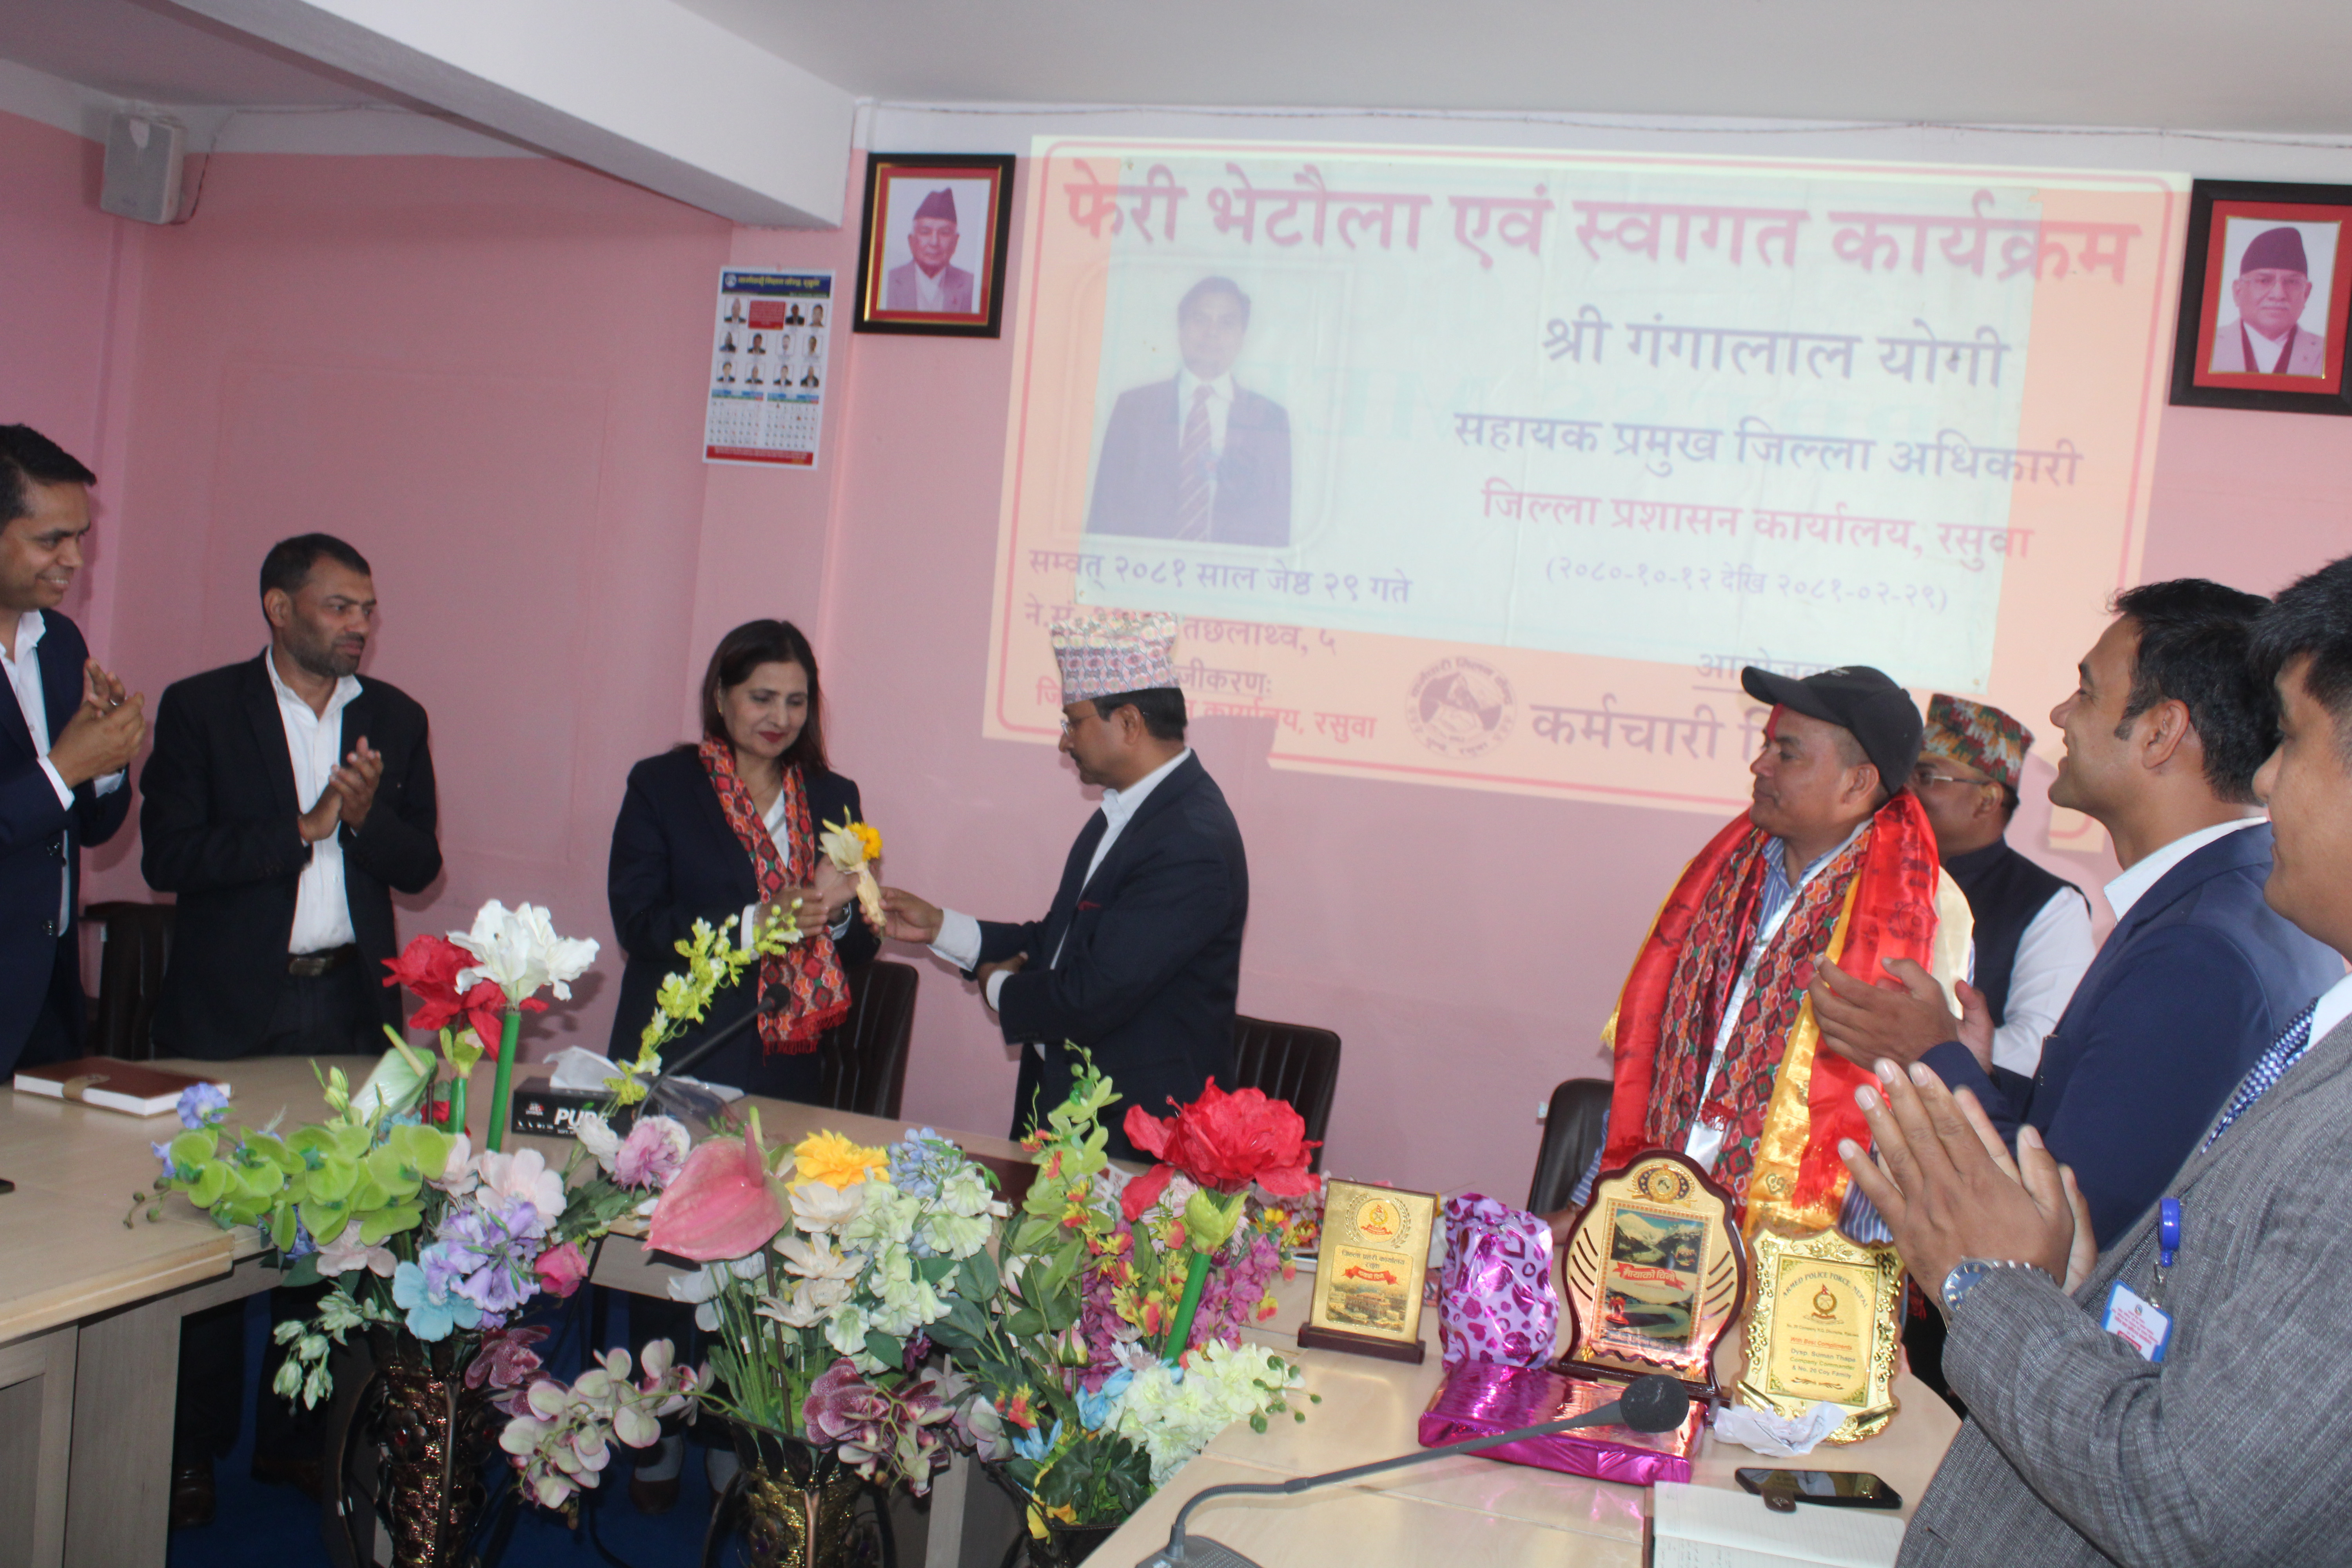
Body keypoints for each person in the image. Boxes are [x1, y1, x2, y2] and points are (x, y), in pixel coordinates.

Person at [1851, 553, 2352, 1567]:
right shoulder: (2211, 918)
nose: (2267, 779)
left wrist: (1987, 1277)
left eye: (2297, 742)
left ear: (2161, 731)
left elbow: (2191, 1502)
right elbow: (2162, 1247)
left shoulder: (2205, 944)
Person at [1813, 582, 2339, 1247]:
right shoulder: (2226, 902)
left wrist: (1930, 1057)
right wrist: (1974, 1068)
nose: (2062, 714)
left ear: (2161, 733)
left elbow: (2070, 1233)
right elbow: (2105, 1141)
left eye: (2087, 692)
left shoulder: (2198, 949)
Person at [145, 533, 440, 1521]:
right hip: (228, 1009)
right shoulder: (201, 707)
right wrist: (301, 832)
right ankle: (190, 1449)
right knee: (214, 1225)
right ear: (279, 606)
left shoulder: (396, 716)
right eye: (339, 606)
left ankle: (297, 1437)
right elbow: (168, 856)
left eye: (368, 608)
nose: (360, 624)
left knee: (332, 1231)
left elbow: (419, 864)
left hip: (347, 1004)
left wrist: (363, 820)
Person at [1550, 664, 1968, 1241]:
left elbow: (1911, 1112)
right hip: (1659, 1229)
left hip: (1820, 1255)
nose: (1760, 766)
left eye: (1786, 754)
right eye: (1766, 745)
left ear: (1857, 783)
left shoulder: (1920, 913)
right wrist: (1591, 1205)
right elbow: (1658, 1063)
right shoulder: (1722, 878)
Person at [877, 611, 1249, 1158]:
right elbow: (1058, 941)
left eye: (1073, 722)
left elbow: (1092, 994)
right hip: (1072, 1126)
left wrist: (999, 989)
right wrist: (940, 927)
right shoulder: (1123, 815)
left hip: (1135, 1145)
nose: (1063, 741)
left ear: (1128, 723)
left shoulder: (1190, 840)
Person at [607, 618, 877, 1104]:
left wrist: (834, 912)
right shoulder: (662, 786)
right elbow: (639, 923)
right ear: (720, 696)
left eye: (796, 702)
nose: (781, 718)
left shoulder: (833, 796)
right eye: (762, 698)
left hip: (787, 1069)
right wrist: (758, 923)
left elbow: (860, 947)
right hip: (679, 1054)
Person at [0, 426, 140, 1075]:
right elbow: (52, 783)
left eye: (80, 537)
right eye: (50, 540)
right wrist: (66, 767)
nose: (75, 559)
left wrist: (107, 761)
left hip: (49, 992)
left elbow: (91, 829)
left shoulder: (61, 641)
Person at [1907, 695, 2094, 1092]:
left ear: (1988, 799)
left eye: (1927, 777)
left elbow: (2037, 1048)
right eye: (1907, 775)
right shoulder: (1883, 874)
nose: (1908, 791)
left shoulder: (2051, 905)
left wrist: (1921, 1038)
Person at [1086, 276, 1293, 547]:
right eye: (1200, 319)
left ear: (1242, 337)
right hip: (1142, 568)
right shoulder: (1134, 409)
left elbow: (1275, 526)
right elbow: (1104, 514)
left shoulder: (1270, 420)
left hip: (1228, 571)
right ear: (1181, 330)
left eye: (1227, 323)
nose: (1212, 332)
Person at [2208, 224, 2326, 375]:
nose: (2279, 295)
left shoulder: (2328, 352)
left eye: (2292, 282)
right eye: (2264, 281)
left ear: (2306, 294)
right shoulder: (2206, 345)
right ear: (2238, 291)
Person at [883, 187, 975, 313]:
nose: (934, 242)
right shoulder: (887, 282)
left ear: (956, 242)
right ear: (911, 241)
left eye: (944, 233)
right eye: (925, 232)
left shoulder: (972, 286)